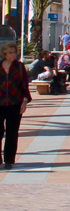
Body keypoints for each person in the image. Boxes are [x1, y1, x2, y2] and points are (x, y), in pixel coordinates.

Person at [0, 41, 31, 170]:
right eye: (10, 53)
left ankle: (8, 160)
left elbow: (24, 85)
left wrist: (24, 101)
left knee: (12, 133)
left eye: (14, 53)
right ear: (4, 54)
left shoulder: (19, 67)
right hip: (0, 104)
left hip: (15, 103)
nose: (12, 55)